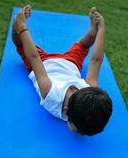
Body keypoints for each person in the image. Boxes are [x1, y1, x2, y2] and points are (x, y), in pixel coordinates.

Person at [12, 5, 112, 136]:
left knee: (18, 42)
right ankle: (93, 31)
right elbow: (96, 61)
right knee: (83, 45)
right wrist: (101, 30)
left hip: (43, 63)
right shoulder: (90, 92)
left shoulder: (51, 95)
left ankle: (17, 24)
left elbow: (34, 57)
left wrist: (22, 26)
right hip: (70, 63)